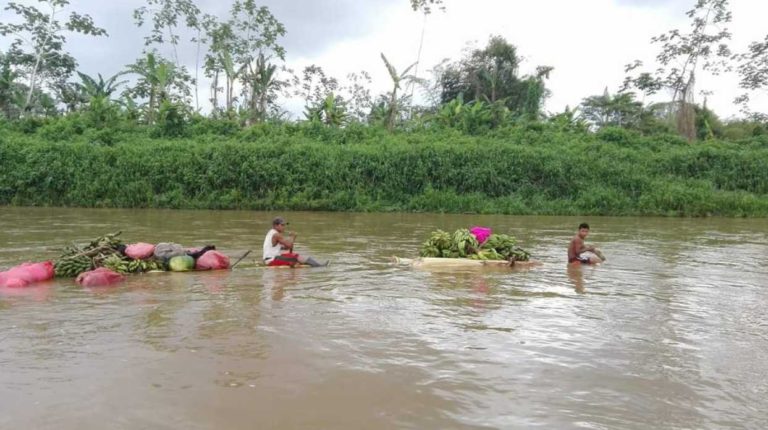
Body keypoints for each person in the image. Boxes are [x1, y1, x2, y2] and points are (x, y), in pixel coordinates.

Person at [262, 217, 327, 267]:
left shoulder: (271, 233)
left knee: (296, 256)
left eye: (284, 225)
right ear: (276, 226)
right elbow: (290, 245)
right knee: (296, 258)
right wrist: (293, 237)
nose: (284, 227)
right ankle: (319, 266)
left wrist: (291, 241)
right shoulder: (276, 235)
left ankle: (317, 265)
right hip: (272, 260)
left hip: (272, 258)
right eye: (282, 225)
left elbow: (288, 248)